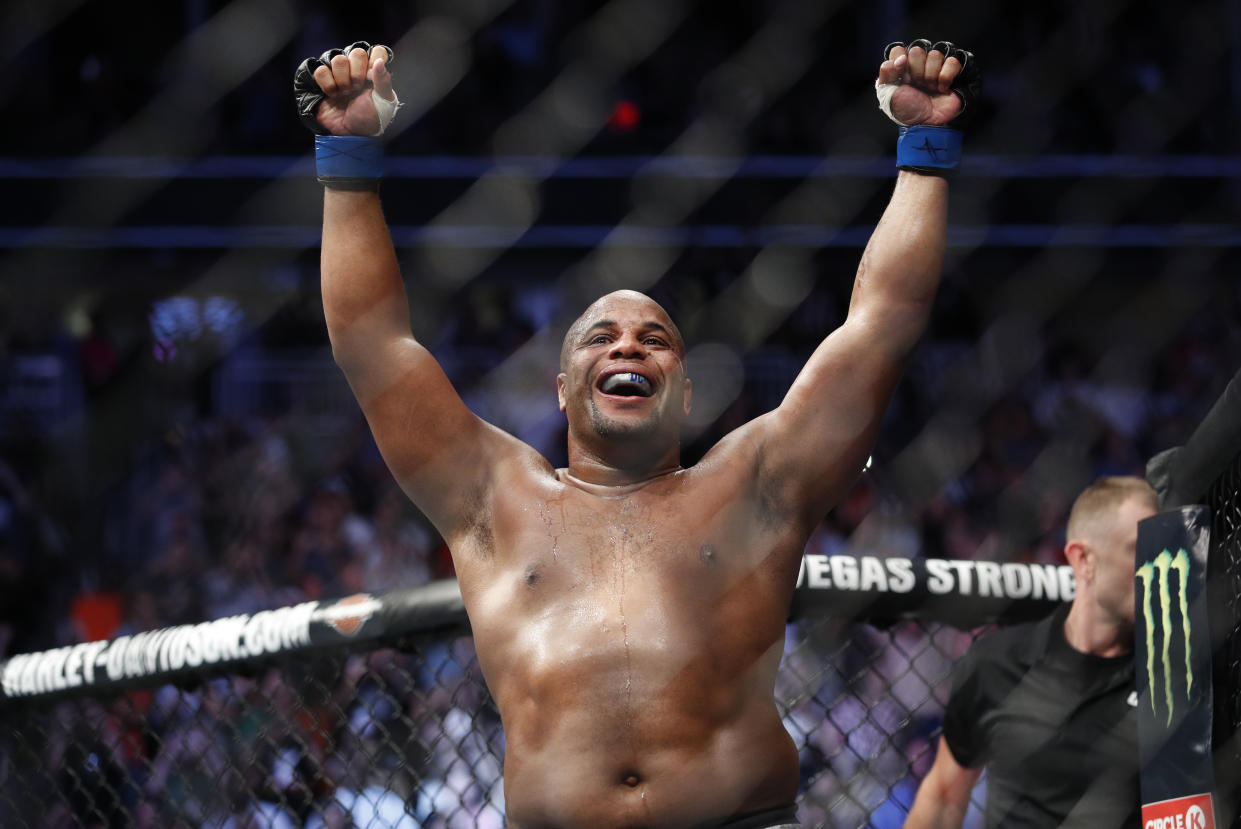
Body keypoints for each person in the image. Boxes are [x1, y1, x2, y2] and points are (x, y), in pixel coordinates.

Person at [295, 37, 978, 828]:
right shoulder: (493, 496)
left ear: (685, 392)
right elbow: (372, 346)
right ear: (560, 390)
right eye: (599, 337)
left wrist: (923, 150)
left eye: (654, 339)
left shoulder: (753, 485)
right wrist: (345, 152)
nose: (626, 344)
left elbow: (880, 325)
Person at [904, 475, 1159, 828]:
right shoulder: (997, 664)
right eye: (1138, 550)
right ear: (1083, 559)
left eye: (1161, 552)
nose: (1155, 567)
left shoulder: (1171, 676)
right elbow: (945, 795)